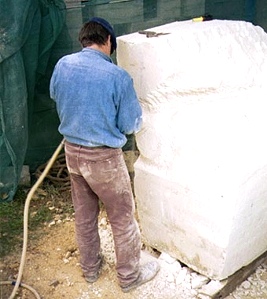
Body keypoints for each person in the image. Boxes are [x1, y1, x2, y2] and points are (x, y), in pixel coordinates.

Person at [49, 17, 160, 293]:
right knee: (122, 218)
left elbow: (55, 95)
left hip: (72, 153)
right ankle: (129, 277)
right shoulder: (117, 76)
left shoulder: (63, 65)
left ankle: (90, 270)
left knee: (84, 216)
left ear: (83, 40)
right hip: (104, 160)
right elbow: (130, 125)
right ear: (108, 40)